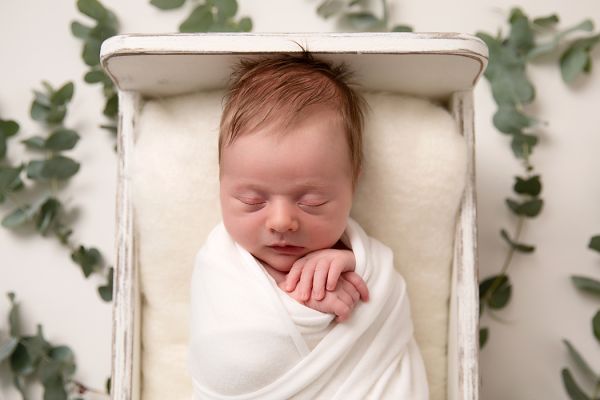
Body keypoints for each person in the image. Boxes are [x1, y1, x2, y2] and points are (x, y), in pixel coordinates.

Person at [188, 51, 429, 399]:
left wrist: (351, 262)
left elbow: (386, 312)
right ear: (221, 183)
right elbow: (225, 360)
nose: (282, 221)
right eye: (252, 201)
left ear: (352, 185)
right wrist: (301, 301)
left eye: (312, 202)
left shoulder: (366, 263)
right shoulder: (219, 266)